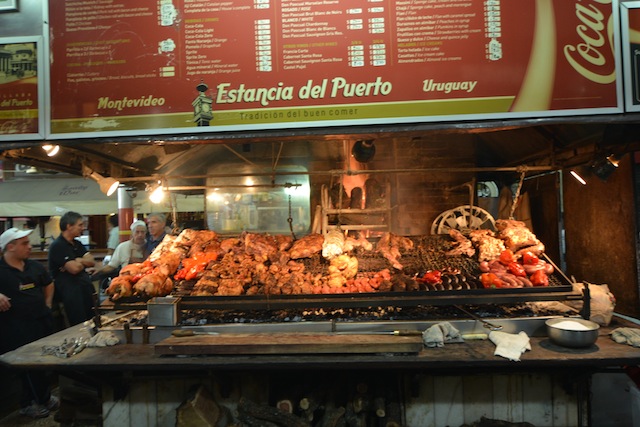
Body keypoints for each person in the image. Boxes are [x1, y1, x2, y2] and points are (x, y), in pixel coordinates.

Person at [0, 228, 60, 419]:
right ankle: (27, 403)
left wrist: (48, 303)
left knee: (42, 361)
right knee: (24, 365)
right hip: (14, 326)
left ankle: (44, 397)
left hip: (40, 321)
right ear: (10, 247)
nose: (29, 246)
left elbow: (48, 282)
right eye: (24, 243)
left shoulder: (34, 266)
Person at [48, 211, 96, 326]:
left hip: (85, 289)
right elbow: (74, 269)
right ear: (69, 226)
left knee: (92, 321)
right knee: (79, 325)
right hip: (71, 293)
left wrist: (79, 261)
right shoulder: (58, 246)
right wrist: (79, 262)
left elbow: (92, 261)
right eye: (80, 225)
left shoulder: (77, 244)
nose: (83, 228)